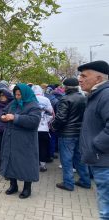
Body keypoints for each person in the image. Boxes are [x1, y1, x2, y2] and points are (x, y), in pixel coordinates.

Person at [77, 60, 109, 219]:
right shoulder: (95, 95)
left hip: (104, 162)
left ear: (98, 79)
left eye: (84, 75)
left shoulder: (105, 94)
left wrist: (96, 145)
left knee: (106, 210)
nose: (79, 79)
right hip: (101, 161)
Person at [0, 83, 41, 199]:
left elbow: (34, 121)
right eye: (16, 94)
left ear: (25, 94)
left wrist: (15, 117)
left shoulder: (33, 105)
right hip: (10, 139)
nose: (17, 97)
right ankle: (13, 185)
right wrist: (3, 117)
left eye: (19, 94)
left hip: (25, 141)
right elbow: (4, 112)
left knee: (26, 164)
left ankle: (27, 188)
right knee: (11, 162)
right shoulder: (13, 104)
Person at [50, 78, 91, 191]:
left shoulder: (65, 99)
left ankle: (68, 183)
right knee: (79, 158)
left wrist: (53, 126)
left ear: (66, 87)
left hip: (67, 133)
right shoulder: (84, 98)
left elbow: (61, 118)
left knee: (66, 159)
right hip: (80, 132)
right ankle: (85, 181)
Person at [32, 85, 53, 172]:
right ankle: (43, 165)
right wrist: (47, 120)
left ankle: (33, 164)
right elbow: (51, 113)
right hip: (44, 128)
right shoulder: (46, 99)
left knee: (33, 147)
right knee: (43, 147)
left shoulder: (30, 99)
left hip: (33, 128)